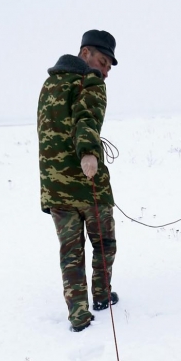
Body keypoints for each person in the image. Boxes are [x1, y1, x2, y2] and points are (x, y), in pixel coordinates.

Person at [37, 29, 118, 332]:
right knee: (104, 243)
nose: (105, 71)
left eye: (109, 66)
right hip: (88, 183)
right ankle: (101, 295)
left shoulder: (49, 84)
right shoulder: (89, 81)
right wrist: (89, 154)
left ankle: (79, 316)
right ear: (85, 54)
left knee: (70, 253)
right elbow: (87, 120)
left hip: (55, 187)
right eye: (102, 61)